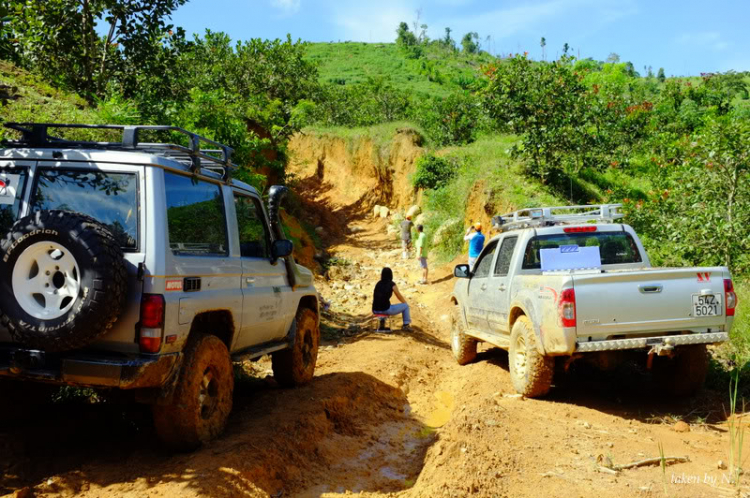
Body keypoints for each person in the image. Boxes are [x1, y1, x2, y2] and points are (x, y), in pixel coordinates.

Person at [372, 267, 411, 331]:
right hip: (385, 310)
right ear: (391, 275)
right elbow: (399, 296)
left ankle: (382, 325)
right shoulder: (391, 284)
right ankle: (406, 325)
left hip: (375, 310)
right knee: (406, 306)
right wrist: (405, 303)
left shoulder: (378, 283)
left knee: (383, 303)